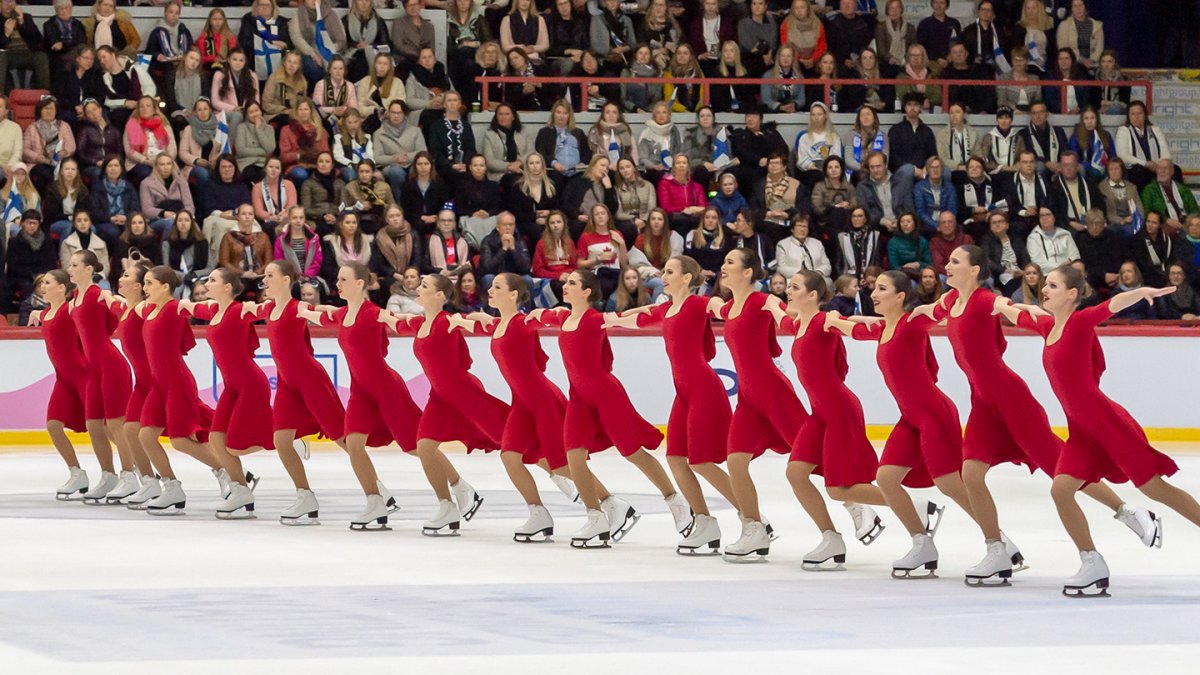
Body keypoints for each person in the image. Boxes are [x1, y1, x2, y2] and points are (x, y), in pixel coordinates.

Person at [913, 244, 1151, 585]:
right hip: (982, 403)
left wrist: (1028, 309)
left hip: (1013, 401)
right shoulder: (951, 302)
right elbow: (929, 310)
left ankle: (1125, 511)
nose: (946, 266)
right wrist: (899, 318)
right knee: (972, 475)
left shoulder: (984, 300)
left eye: (954, 261)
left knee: (1060, 469)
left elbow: (1008, 307)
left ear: (975, 270)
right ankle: (997, 550)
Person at [995, 266, 1198, 595]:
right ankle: (1092, 562)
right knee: (1061, 490)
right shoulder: (1048, 326)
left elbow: (1110, 307)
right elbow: (1021, 315)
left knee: (1156, 489)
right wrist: (998, 304)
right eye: (1045, 284)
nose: (1045, 289)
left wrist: (1140, 292)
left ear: (1072, 294)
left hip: (1107, 425)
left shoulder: (1077, 323)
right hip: (1081, 432)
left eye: (1053, 285)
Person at [824, 270, 975, 575]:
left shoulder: (913, 322)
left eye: (882, 288)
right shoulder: (884, 327)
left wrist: (962, 282)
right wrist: (833, 320)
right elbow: (856, 330)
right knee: (887, 479)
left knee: (951, 486)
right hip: (911, 418)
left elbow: (941, 308)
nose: (874, 293)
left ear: (900, 296)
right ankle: (922, 543)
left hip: (935, 414)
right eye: (874, 288)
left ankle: (999, 541)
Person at [528, 271, 686, 546]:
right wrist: (533, 314)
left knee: (633, 453)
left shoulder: (595, 319)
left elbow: (628, 316)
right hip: (579, 398)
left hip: (606, 395)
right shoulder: (564, 318)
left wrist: (663, 308)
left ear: (587, 292)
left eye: (572, 283)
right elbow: (543, 315)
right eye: (566, 283)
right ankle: (597, 516)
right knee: (573, 456)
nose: (565, 287)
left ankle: (674, 500)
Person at [604, 255, 739, 552]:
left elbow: (720, 308)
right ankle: (704, 521)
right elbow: (640, 317)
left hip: (703, 388)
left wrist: (736, 303)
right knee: (676, 458)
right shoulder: (668, 308)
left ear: (687, 278)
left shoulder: (696, 303)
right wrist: (611, 320)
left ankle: (752, 517)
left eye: (669, 271)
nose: (663, 276)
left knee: (701, 462)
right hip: (685, 391)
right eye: (663, 271)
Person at [761, 271, 894, 566]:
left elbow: (857, 329)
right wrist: (769, 303)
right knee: (796, 473)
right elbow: (783, 317)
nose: (788, 291)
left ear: (812, 295)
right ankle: (831, 538)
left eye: (794, 287)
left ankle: (912, 505)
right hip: (820, 413)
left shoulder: (824, 321)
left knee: (838, 488)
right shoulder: (799, 323)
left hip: (839, 410)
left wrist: (888, 322)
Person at [452, 273, 581, 540]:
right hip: (522, 403)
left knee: (560, 465)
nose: (490, 290)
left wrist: (556, 311)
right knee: (510, 456)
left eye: (497, 287)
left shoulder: (523, 323)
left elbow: (547, 317)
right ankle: (538, 514)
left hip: (543, 401)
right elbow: (484, 322)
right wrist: (465, 319)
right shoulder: (500, 324)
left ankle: (608, 503)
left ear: (513, 295)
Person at [375, 274, 497, 535]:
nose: (418, 288)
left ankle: (562, 477)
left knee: (508, 442)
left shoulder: (446, 321)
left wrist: (482, 318)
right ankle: (448, 505)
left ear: (440, 296)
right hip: (440, 398)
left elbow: (466, 321)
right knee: (425, 447)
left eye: (425, 286)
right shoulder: (420, 323)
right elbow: (394, 322)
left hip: (465, 394)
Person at [712, 247, 808, 560]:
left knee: (813, 457)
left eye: (730, 262)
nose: (723, 267)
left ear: (748, 272)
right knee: (735, 462)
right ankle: (753, 529)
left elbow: (783, 313)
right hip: (749, 399)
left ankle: (858, 503)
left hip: (773, 392)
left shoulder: (762, 300)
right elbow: (708, 306)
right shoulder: (728, 308)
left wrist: (793, 316)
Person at [239, 260, 348, 525]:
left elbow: (323, 317)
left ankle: (377, 493)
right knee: (282, 440)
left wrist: (340, 313)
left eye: (270, 275)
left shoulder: (298, 307)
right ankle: (305, 496)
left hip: (310, 379)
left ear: (286, 280)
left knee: (342, 437)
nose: (265, 280)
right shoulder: (268, 308)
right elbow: (242, 311)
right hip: (287, 382)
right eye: (265, 275)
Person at [120, 272, 223, 515]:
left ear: (165, 287)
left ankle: (230, 474)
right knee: (145, 435)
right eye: (143, 282)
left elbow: (202, 308)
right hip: (158, 386)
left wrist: (222, 304)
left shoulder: (176, 307)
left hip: (177, 383)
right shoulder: (148, 311)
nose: (145, 288)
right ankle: (171, 487)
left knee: (180, 440)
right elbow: (127, 305)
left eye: (149, 283)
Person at [178, 268, 273, 518]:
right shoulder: (212, 310)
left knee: (233, 444)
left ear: (228, 286)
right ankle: (241, 490)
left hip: (251, 384)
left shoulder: (239, 310)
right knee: (217, 440)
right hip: (232, 387)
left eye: (212, 280)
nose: (207, 283)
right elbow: (188, 306)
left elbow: (266, 310)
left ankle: (288, 437)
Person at [63, 248, 135, 502]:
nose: (69, 269)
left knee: (116, 423)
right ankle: (109, 475)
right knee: (94, 425)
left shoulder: (97, 294)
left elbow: (121, 313)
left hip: (111, 364)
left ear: (89, 269)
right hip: (92, 369)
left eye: (74, 265)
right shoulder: (73, 299)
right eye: (69, 265)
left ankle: (130, 475)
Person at [35, 270, 100, 501]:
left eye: (48, 282)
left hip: (83, 376)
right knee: (53, 425)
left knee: (105, 428)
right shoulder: (45, 313)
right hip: (63, 379)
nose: (43, 286)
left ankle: (134, 470)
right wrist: (36, 313)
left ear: (62, 287)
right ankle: (76, 473)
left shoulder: (71, 309)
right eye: (43, 282)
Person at [1114, 101, 1174, 191]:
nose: (1136, 117)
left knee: (1175, 170)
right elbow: (1123, 156)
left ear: (1145, 115)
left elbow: (1165, 151)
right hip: (1136, 168)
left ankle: (1175, 201)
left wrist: (1161, 166)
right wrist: (1146, 164)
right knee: (1139, 173)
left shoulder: (1154, 129)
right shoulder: (1123, 131)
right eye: (1133, 114)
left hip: (1157, 165)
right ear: (1128, 116)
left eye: (1139, 113)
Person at [5, 211, 58, 314]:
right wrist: (32, 276)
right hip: (22, 278)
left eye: (35, 223)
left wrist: (41, 276)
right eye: (29, 223)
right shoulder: (14, 242)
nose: (32, 226)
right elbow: (13, 266)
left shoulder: (47, 242)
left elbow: (52, 263)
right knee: (27, 286)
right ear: (22, 223)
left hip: (43, 276)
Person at [123, 96, 176, 186]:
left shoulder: (164, 124)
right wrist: (145, 160)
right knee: (147, 173)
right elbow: (129, 151)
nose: (145, 109)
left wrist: (167, 160)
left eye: (148, 106)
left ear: (154, 109)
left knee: (174, 174)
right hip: (139, 162)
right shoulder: (131, 125)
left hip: (163, 160)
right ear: (138, 109)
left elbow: (172, 145)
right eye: (142, 106)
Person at [0, 0, 51, 93]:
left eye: (12, 1)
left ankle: (44, 94)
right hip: (8, 55)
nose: (10, 5)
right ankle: (0, 97)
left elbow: (38, 39)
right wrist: (6, 34)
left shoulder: (26, 17)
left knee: (41, 56)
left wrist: (22, 22)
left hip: (27, 54)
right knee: (0, 56)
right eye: (6, 2)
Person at [290, 0, 346, 86]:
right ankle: (319, 91)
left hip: (332, 49)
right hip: (308, 52)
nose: (314, 0)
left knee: (340, 64)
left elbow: (341, 38)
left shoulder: (332, 14)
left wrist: (330, 49)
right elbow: (297, 38)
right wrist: (313, 53)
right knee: (313, 66)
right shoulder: (299, 16)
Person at [888, 93, 938, 187]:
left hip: (925, 171)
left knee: (944, 172)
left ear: (920, 107)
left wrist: (926, 169)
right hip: (902, 171)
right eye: (909, 104)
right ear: (905, 107)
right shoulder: (895, 130)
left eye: (915, 105)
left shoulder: (927, 131)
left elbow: (933, 155)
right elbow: (893, 157)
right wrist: (913, 170)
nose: (912, 108)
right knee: (907, 171)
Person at [856, 151, 912, 234]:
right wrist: (883, 221)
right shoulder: (862, 187)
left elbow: (909, 208)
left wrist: (899, 221)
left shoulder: (901, 183)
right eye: (872, 167)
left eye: (878, 166)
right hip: (877, 229)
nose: (875, 170)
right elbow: (865, 212)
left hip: (901, 226)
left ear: (886, 166)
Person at [1131, 211, 1190, 288]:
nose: (1150, 225)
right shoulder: (1137, 240)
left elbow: (1171, 259)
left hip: (1166, 274)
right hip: (1147, 277)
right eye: (1148, 221)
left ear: (1160, 225)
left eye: (1154, 223)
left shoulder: (1167, 239)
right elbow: (1142, 265)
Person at [139, 154, 193, 238]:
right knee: (170, 224)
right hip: (157, 219)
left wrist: (183, 217)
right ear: (156, 166)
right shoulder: (146, 183)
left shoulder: (181, 181)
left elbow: (189, 204)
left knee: (194, 225)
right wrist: (164, 213)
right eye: (162, 164)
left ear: (172, 165)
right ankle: (166, 250)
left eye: (168, 163)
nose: (166, 167)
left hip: (180, 215)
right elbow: (146, 209)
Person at [1048, 151, 1103, 233]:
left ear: (1077, 166)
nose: (1068, 168)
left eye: (1071, 165)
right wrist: (1069, 222)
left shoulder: (1089, 184)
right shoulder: (1054, 187)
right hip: (1067, 225)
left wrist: (1094, 220)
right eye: (1065, 165)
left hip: (1091, 223)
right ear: (1060, 167)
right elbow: (1054, 212)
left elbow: (1099, 204)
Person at [219, 203, 271, 289]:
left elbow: (268, 260)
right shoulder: (228, 236)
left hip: (259, 276)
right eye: (243, 214)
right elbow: (224, 261)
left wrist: (257, 273)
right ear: (237, 216)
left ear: (254, 217)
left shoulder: (263, 236)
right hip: (237, 277)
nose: (247, 216)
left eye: (250, 214)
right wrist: (242, 273)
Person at [980, 210, 1030, 296]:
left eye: (1000, 221)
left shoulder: (1016, 239)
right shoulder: (987, 240)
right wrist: (1005, 270)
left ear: (1007, 225)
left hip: (1020, 272)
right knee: (1011, 282)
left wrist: (1023, 271)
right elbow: (986, 261)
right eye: (994, 222)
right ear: (990, 226)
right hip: (1001, 274)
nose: (997, 224)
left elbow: (1025, 257)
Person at [1141, 161, 1199, 235]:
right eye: (1159, 168)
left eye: (1165, 168)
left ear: (1172, 171)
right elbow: (1147, 212)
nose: (1162, 171)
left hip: (1186, 221)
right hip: (1165, 223)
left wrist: (1189, 222)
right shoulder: (1149, 190)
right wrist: (1166, 220)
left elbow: (1195, 210)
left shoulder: (1183, 189)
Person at [1074, 208, 1123, 296]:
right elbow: (1085, 264)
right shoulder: (1080, 239)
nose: (1095, 227)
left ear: (1104, 223)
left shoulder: (1112, 236)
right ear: (1086, 224)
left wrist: (1118, 275)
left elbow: (1120, 257)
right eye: (1091, 224)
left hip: (1116, 276)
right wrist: (1103, 276)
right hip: (1093, 278)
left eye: (1098, 223)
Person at [657, 153, 708, 237]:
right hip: (674, 219)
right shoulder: (664, 184)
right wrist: (685, 209)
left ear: (688, 167)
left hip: (693, 218)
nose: (681, 165)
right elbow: (665, 207)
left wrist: (692, 210)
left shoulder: (696, 186)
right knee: (681, 220)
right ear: (673, 167)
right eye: (678, 163)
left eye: (684, 163)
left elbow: (702, 207)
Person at [531, 209, 577, 302]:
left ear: (564, 224)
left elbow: (574, 265)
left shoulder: (569, 243)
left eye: (558, 222)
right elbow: (537, 270)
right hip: (549, 280)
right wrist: (558, 275)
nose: (556, 225)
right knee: (562, 287)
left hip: (567, 277)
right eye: (552, 223)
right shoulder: (541, 244)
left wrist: (567, 274)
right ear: (548, 226)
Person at [793, 102, 843, 186]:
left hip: (829, 170)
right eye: (813, 115)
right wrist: (815, 168)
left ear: (825, 116)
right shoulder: (803, 137)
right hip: (809, 172)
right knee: (815, 176)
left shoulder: (834, 136)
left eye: (819, 114)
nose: (816, 118)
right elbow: (801, 160)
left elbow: (837, 157)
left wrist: (828, 169)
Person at [775, 213, 832, 285]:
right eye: (799, 226)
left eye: (805, 226)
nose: (802, 229)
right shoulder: (782, 244)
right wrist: (801, 273)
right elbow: (781, 268)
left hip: (817, 279)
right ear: (792, 229)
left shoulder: (817, 243)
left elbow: (827, 265)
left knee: (828, 283)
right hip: (795, 279)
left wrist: (818, 272)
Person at [483, 103, 532, 185]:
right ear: (496, 117)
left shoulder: (523, 131)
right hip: (500, 174)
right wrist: (510, 166)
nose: (503, 117)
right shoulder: (490, 135)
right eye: (500, 114)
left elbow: (531, 152)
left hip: (522, 171)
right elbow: (489, 162)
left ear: (513, 117)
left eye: (507, 114)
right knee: (513, 182)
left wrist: (519, 163)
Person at [1004, 150, 1049, 238]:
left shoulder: (1044, 181)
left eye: (1031, 162)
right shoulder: (1009, 182)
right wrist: (1025, 212)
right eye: (1025, 162)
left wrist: (1040, 210)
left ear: (1035, 163)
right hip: (1019, 218)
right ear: (1019, 164)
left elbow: (1049, 201)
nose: (1029, 165)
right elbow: (1009, 204)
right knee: (1019, 227)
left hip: (1039, 215)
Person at [145, 1, 194, 80]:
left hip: (182, 60)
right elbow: (149, 51)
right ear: (165, 13)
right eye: (171, 12)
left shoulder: (184, 30)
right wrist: (157, 55)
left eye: (177, 13)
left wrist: (187, 55)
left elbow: (191, 47)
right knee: (170, 69)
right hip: (165, 62)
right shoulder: (157, 32)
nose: (174, 15)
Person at [300, 152, 344, 235]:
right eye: (321, 161)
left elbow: (343, 206)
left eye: (327, 162)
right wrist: (323, 215)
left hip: (335, 217)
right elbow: (305, 209)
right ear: (316, 164)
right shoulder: (308, 183)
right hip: (316, 218)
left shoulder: (339, 183)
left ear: (332, 165)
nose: (323, 164)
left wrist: (335, 216)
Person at [811, 155, 857, 234]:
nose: (833, 170)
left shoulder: (849, 186)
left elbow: (855, 204)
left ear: (842, 169)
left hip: (846, 220)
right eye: (830, 167)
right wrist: (835, 207)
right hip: (825, 222)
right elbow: (817, 209)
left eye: (836, 167)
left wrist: (846, 206)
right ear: (826, 171)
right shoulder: (819, 186)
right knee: (837, 212)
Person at [1043, 48, 1097, 115]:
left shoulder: (1082, 77)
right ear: (1057, 61)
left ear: (1072, 60)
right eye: (1061, 59)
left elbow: (1086, 98)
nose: (1064, 61)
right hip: (1057, 115)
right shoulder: (1050, 77)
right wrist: (1067, 111)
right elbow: (1050, 100)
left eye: (1067, 58)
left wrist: (1079, 109)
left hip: (1079, 114)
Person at [233, 102, 275, 187]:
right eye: (251, 112)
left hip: (264, 163)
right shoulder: (241, 127)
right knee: (251, 173)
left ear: (261, 111)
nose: (255, 114)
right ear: (247, 115)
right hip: (247, 163)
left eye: (256, 110)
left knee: (269, 174)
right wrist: (263, 152)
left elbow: (270, 149)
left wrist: (258, 129)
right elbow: (240, 151)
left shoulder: (269, 129)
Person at [1028, 207, 1081, 273]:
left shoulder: (1065, 234)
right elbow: (1037, 263)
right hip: (1046, 275)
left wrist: (1067, 264)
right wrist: (1060, 266)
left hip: (1068, 273)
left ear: (1054, 217)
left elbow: (1075, 255)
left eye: (1048, 214)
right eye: (1041, 215)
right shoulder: (1033, 238)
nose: (1044, 218)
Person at [312, 56, 358, 128]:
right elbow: (316, 108)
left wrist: (343, 110)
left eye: (341, 69)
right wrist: (333, 110)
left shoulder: (350, 86)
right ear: (329, 70)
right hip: (324, 122)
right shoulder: (321, 84)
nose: (338, 72)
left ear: (344, 71)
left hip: (345, 121)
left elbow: (354, 109)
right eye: (335, 68)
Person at [761, 43, 805, 114]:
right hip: (772, 113)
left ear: (793, 58)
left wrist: (794, 105)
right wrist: (780, 107)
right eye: (783, 56)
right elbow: (766, 99)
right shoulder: (768, 75)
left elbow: (801, 99)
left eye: (789, 56)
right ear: (778, 58)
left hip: (793, 113)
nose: (785, 59)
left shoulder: (799, 77)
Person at [930, 210, 974, 276]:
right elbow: (939, 265)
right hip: (947, 274)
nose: (946, 225)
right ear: (939, 226)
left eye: (950, 222)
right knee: (941, 278)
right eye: (943, 222)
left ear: (955, 224)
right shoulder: (935, 242)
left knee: (988, 280)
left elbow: (972, 259)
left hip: (967, 273)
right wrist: (955, 273)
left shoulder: (966, 239)